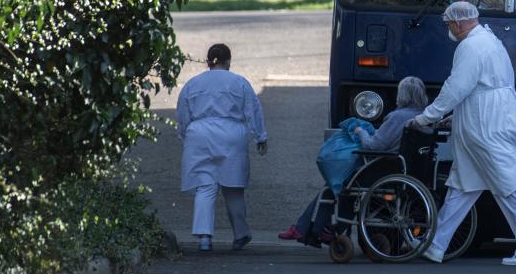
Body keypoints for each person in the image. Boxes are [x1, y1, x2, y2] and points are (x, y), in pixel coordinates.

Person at [414, 1, 516, 266]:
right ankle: (436, 244)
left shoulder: (470, 46)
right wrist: (457, 116)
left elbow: (456, 88)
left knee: (509, 184)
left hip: (484, 126)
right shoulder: (490, 41)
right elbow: (487, 85)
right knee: (463, 186)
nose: (449, 29)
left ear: (459, 23)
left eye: (450, 24)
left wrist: (427, 116)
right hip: (488, 119)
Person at [277, 76, 431, 244]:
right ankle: (324, 229)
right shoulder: (424, 117)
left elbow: (374, 146)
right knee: (342, 184)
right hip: (405, 170)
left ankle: (306, 228)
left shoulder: (396, 117)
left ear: (402, 95)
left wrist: (360, 131)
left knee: (335, 183)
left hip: (383, 170)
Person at [177, 44, 268, 252]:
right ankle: (241, 234)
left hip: (199, 134)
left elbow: (183, 114)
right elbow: (253, 110)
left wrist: (184, 137)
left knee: (205, 186)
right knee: (233, 187)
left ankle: (204, 238)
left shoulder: (193, 84)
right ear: (228, 61)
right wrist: (260, 137)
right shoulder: (239, 82)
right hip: (231, 134)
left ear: (208, 61)